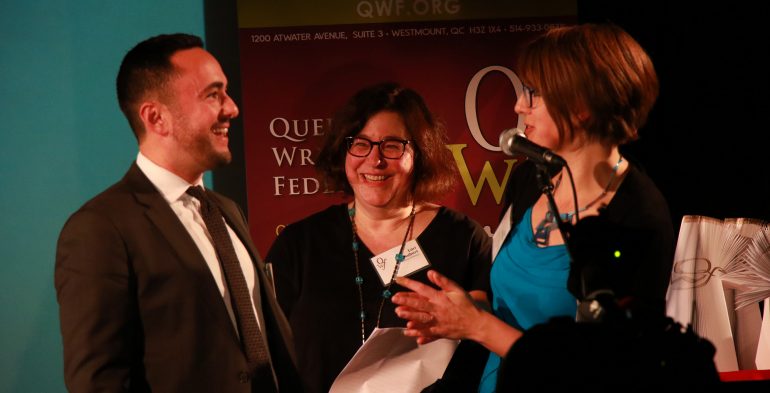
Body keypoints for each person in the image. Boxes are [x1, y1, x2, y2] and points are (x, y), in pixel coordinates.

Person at [392, 23, 676, 392]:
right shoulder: (531, 178)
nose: (518, 105)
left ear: (582, 107)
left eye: (534, 93)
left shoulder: (638, 217)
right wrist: (460, 312)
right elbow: (506, 305)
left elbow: (606, 369)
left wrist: (477, 326)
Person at [55, 33, 301, 392]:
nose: (232, 108)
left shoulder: (225, 210)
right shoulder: (100, 229)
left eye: (226, 92)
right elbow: (98, 381)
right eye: (213, 94)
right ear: (156, 118)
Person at [264, 82, 492, 393]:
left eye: (392, 145)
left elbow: (482, 349)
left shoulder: (464, 239)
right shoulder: (298, 244)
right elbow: (268, 354)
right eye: (361, 144)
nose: (375, 160)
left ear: (419, 152)